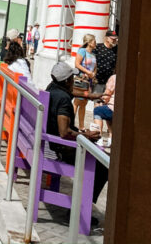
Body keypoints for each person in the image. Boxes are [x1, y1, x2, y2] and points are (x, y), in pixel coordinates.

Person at [46, 61, 108, 207]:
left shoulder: (52, 89)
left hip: (52, 143)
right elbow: (64, 132)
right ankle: (80, 210)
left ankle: (81, 207)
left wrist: (91, 96)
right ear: (67, 81)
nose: (74, 80)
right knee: (103, 166)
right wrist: (86, 136)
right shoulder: (64, 100)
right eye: (72, 78)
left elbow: (72, 92)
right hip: (63, 148)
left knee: (98, 156)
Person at [74, 34, 98, 130]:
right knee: (77, 101)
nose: (95, 42)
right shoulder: (82, 51)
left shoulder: (93, 54)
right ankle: (70, 122)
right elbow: (77, 64)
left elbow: (95, 66)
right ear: (89, 42)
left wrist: (93, 74)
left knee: (84, 103)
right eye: (94, 41)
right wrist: (87, 72)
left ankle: (81, 125)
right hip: (81, 79)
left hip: (89, 81)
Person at [93, 73, 116, 143]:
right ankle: (111, 137)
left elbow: (107, 95)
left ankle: (98, 136)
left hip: (113, 108)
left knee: (97, 110)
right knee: (106, 111)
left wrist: (101, 102)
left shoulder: (114, 77)